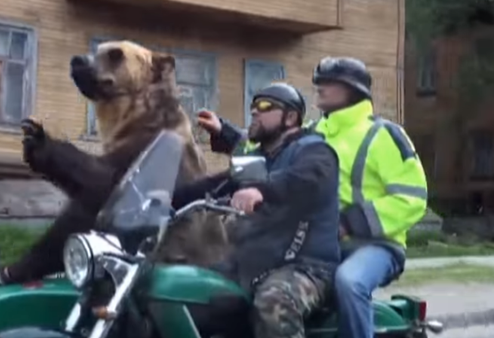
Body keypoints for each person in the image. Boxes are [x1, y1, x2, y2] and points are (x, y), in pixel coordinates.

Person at [197, 58, 428, 338]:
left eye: (330, 82)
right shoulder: (317, 131)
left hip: (375, 244)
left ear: (354, 89)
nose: (319, 86)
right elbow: (271, 143)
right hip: (318, 241)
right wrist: (225, 132)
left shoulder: (383, 134)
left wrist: (350, 223)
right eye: (319, 81)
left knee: (349, 282)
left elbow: (412, 199)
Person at [175, 82, 341, 338]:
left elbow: (305, 179)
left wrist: (261, 190)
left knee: (274, 302)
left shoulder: (315, 151)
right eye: (253, 106)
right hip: (257, 260)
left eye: (265, 106)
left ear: (291, 117)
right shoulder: (260, 159)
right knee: (186, 288)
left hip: (306, 266)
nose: (254, 111)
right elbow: (217, 184)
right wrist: (164, 199)